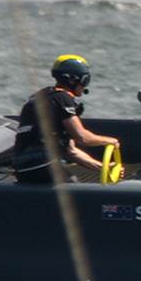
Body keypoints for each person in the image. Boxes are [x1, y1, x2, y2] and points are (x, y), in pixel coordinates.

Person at [11, 53, 121, 185]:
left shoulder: (43, 96)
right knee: (72, 189)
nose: (84, 86)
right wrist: (110, 141)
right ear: (73, 79)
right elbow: (82, 137)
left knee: (72, 183)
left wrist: (103, 167)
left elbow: (71, 151)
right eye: (85, 80)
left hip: (23, 169)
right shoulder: (62, 98)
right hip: (43, 164)